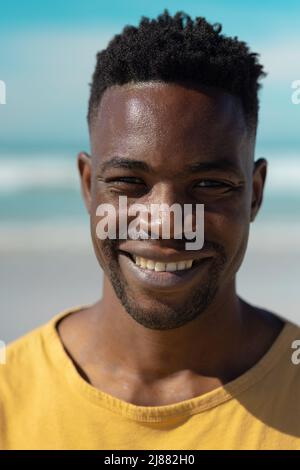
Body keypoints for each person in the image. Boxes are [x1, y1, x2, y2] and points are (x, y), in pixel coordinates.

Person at [1, 10, 300, 450]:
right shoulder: (10, 392)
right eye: (128, 182)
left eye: (209, 185)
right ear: (88, 186)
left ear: (254, 194)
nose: (164, 220)